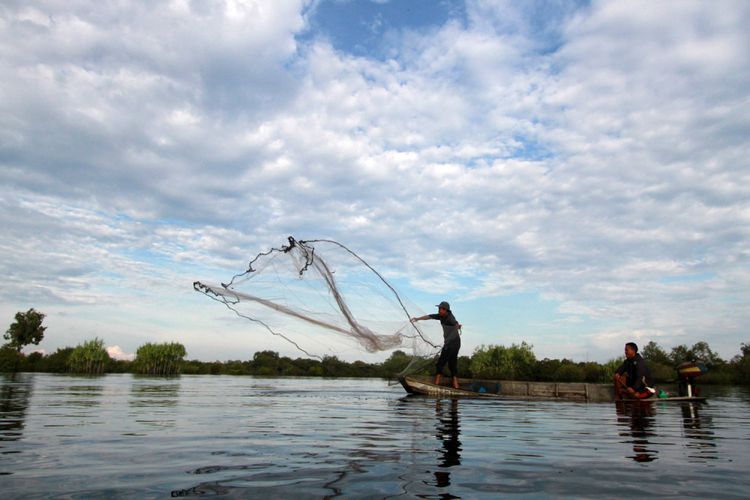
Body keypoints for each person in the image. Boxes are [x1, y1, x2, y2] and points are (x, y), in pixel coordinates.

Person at [411, 301, 462, 389]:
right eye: (438, 308)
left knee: (440, 363)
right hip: (455, 342)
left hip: (452, 343)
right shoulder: (440, 316)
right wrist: (417, 318)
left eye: (440, 309)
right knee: (452, 363)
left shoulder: (450, 317)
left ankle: (436, 384)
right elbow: (429, 316)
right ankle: (456, 385)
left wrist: (457, 326)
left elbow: (455, 322)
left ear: (445, 310)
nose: (439, 310)